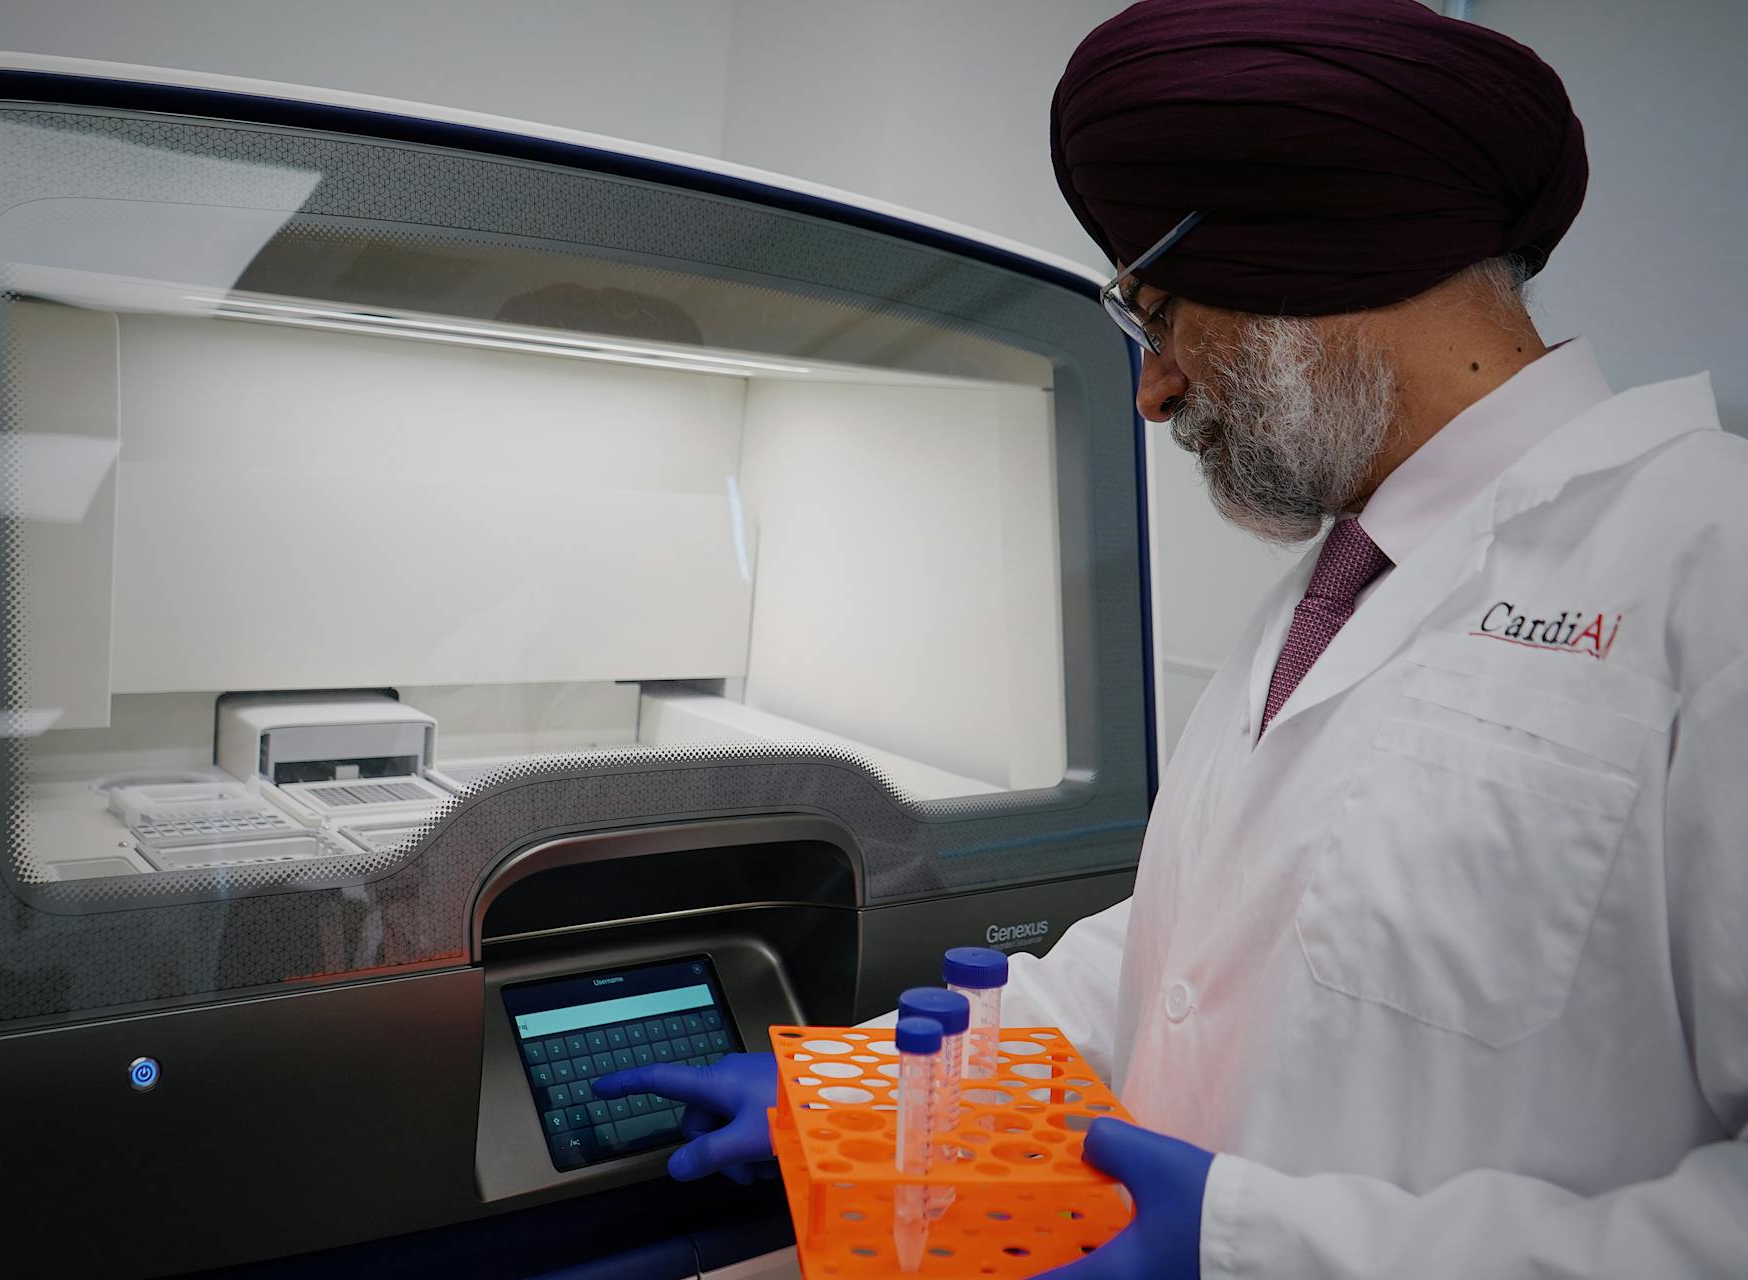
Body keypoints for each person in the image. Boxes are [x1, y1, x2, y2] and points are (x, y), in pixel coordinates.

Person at [597, 1, 1748, 1274]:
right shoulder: (1337, 590)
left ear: (1316, 256)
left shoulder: (1713, 568)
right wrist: (872, 1090)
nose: (1150, 391)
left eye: (1162, 316)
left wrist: (1267, 1248)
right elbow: (1183, 966)